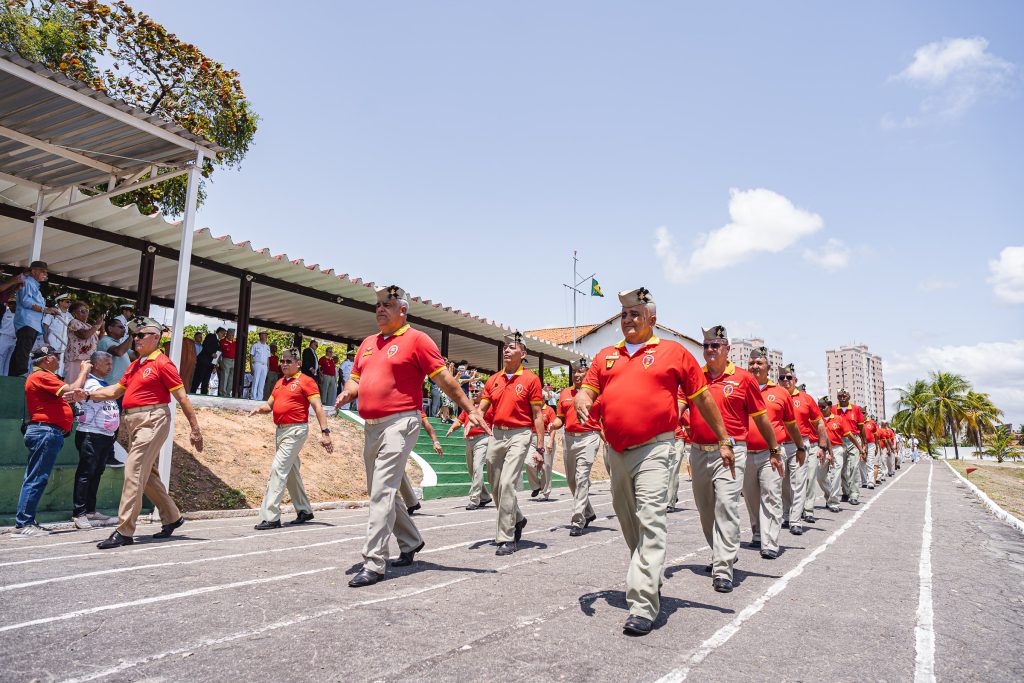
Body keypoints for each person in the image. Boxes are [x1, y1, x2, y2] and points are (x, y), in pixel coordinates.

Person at [575, 290, 728, 635]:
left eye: (634, 314)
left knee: (651, 518)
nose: (627, 320)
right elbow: (588, 389)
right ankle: (648, 574)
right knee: (630, 522)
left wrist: (723, 439)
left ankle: (643, 602)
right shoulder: (605, 356)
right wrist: (582, 400)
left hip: (656, 449)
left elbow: (702, 398)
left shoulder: (674, 353)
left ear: (651, 318)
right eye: (623, 315)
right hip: (615, 451)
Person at [336, 285, 484, 587]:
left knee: (381, 491)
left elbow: (445, 380)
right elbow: (355, 380)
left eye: (386, 304)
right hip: (372, 426)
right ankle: (411, 540)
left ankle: (374, 561)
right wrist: (347, 393)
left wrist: (470, 408)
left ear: (402, 309)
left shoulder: (417, 340)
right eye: (376, 304)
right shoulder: (367, 343)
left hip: (401, 421)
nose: (379, 309)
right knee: (380, 490)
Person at [71, 317, 205, 549]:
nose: (135, 339)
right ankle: (173, 517)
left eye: (141, 335)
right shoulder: (135, 365)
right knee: (148, 474)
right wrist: (88, 395)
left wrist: (195, 429)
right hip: (133, 421)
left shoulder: (163, 363)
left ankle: (124, 530)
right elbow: (114, 390)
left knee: (133, 471)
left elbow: (181, 396)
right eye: (135, 335)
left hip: (153, 418)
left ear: (156, 337)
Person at [682, 325, 765, 595]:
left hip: (732, 451)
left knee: (727, 507)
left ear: (727, 349)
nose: (709, 350)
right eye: (706, 346)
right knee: (706, 510)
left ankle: (723, 568)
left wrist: (775, 450)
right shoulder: (695, 377)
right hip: (698, 450)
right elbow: (680, 404)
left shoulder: (743, 378)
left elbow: (760, 416)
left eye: (715, 345)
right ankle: (721, 551)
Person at [249, 347, 332, 529]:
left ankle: (271, 516)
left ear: (298, 363)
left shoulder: (306, 381)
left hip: (296, 430)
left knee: (278, 469)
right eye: (283, 361)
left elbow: (318, 407)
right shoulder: (279, 383)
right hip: (280, 431)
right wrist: (259, 409)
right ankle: (304, 510)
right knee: (291, 471)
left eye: (289, 361)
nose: (284, 364)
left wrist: (325, 431)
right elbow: (270, 405)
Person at [479, 332, 546, 557]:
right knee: (495, 484)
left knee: (508, 483)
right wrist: (473, 416)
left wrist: (540, 446)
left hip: (520, 433)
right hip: (497, 434)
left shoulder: (531, 379)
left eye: (512, 347)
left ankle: (505, 538)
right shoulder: (494, 379)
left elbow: (537, 415)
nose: (507, 350)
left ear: (523, 354)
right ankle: (517, 518)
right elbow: (482, 408)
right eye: (505, 347)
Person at [11, 347, 89, 538]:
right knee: (36, 478)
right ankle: (23, 523)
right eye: (56, 357)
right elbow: (71, 390)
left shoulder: (43, 376)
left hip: (47, 431)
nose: (59, 360)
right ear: (47, 359)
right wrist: (83, 371)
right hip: (45, 430)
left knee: (35, 477)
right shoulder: (41, 376)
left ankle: (26, 520)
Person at [744, 348, 803, 555]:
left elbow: (792, 424)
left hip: (772, 453)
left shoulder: (780, 393)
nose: (755, 366)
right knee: (751, 498)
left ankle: (769, 543)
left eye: (759, 363)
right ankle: (758, 533)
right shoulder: (742, 388)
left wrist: (800, 447)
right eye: (752, 363)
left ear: (768, 368)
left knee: (771, 495)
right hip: (745, 452)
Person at [71, 351, 120, 529]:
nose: (110, 367)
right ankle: (79, 513)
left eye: (111, 363)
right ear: (96, 364)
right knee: (86, 473)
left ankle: (90, 511)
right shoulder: (91, 383)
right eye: (107, 363)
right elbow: (105, 395)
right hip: (90, 434)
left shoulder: (103, 383)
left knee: (96, 472)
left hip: (104, 436)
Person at [778, 365, 830, 525]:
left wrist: (822, 446)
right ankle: (786, 514)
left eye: (789, 378)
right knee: (783, 483)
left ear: (795, 380)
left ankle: (796, 519)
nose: (786, 381)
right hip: (780, 445)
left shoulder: (806, 398)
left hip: (800, 445)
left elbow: (820, 422)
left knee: (800, 481)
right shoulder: (775, 395)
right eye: (782, 378)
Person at [554, 360, 601, 535]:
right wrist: (552, 424)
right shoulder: (565, 393)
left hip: (590, 438)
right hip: (569, 439)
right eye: (574, 371)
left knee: (582, 478)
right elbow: (561, 418)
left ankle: (578, 520)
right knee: (572, 481)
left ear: (588, 373)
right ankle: (589, 513)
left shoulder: (598, 394)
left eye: (581, 371)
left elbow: (606, 419)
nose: (577, 374)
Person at [817, 397, 865, 513]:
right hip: (823, 450)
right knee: (820, 477)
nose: (821, 409)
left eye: (823, 406)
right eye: (819, 407)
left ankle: (834, 502)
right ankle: (829, 495)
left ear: (829, 407)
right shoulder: (817, 420)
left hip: (837, 449)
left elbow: (849, 435)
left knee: (836, 475)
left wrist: (860, 448)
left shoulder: (838, 419)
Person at [446, 395, 493, 510]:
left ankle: (474, 499)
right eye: (474, 391)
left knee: (477, 468)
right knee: (472, 471)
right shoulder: (468, 408)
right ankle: (485, 496)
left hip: (483, 439)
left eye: (477, 391)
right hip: (468, 441)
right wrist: (452, 428)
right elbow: (459, 421)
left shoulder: (489, 407)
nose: (475, 393)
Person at [11, 262, 57, 377]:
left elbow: (37, 305)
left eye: (46, 272)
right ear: (34, 271)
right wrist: (44, 310)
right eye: (42, 271)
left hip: (33, 324)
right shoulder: (28, 282)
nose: (45, 274)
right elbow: (26, 301)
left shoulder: (35, 285)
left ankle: (15, 374)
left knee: (23, 349)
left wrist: (49, 310)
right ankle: (19, 374)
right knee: (23, 349)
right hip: (27, 322)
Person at [834, 390, 866, 505]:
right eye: (840, 396)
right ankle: (845, 492)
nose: (842, 397)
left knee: (854, 467)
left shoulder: (856, 409)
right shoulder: (833, 409)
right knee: (842, 467)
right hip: (840, 440)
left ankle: (854, 494)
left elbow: (861, 428)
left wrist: (864, 444)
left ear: (849, 396)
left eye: (844, 395)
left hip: (854, 440)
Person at [63, 301, 104, 382]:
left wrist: (102, 330)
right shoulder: (74, 322)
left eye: (87, 311)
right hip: (76, 359)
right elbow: (84, 335)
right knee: (72, 384)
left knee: (81, 386)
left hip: (87, 360)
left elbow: (96, 341)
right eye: (83, 311)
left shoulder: (89, 326)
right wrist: (96, 326)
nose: (86, 314)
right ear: (75, 314)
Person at [41, 293, 73, 376]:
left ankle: (58, 378)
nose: (69, 303)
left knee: (61, 363)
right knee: (50, 360)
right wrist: (46, 339)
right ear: (60, 302)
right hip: (53, 339)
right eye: (67, 301)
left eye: (70, 302)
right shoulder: (52, 312)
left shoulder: (70, 316)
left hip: (65, 341)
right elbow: (46, 326)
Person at [191, 327, 222, 394]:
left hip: (210, 364)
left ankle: (204, 394)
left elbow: (217, 353)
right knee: (198, 378)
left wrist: (214, 364)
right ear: (219, 332)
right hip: (203, 362)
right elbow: (205, 345)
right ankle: (192, 392)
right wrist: (211, 353)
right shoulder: (211, 336)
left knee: (206, 380)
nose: (223, 335)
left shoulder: (218, 341)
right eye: (223, 334)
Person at [250, 331, 271, 402]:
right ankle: (253, 397)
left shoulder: (267, 347)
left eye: (266, 335)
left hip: (264, 365)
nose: (266, 337)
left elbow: (268, 358)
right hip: (257, 364)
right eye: (264, 335)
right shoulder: (255, 345)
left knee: (262, 382)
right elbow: (251, 356)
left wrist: (268, 367)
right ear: (260, 336)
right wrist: (251, 367)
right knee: (255, 380)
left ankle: (260, 398)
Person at [218, 329, 237, 397]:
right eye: (230, 334)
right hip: (226, 360)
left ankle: (228, 393)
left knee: (231, 378)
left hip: (234, 361)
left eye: (232, 335)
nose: (231, 336)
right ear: (227, 334)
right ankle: (222, 393)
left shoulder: (236, 341)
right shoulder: (222, 341)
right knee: (224, 377)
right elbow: (218, 352)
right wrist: (219, 362)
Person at [862, 415, 880, 488]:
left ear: (866, 414)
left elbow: (875, 435)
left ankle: (871, 481)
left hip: (871, 445)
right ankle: (864, 481)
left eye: (864, 413)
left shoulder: (871, 423)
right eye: (861, 412)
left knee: (870, 462)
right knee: (861, 463)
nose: (862, 414)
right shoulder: (858, 422)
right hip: (861, 444)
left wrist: (876, 446)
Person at [0, 300, 16, 375]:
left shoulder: (20, 313)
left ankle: (5, 377)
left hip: (14, 339)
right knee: (0, 358)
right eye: (11, 303)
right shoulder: (4, 312)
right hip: (4, 337)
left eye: (14, 303)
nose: (13, 305)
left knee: (8, 360)